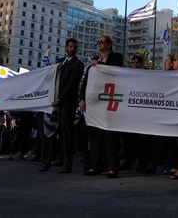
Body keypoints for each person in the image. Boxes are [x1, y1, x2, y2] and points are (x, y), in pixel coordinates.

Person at [79, 35, 124, 178]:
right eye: (98, 42)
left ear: (109, 45)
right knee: (95, 135)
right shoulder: (94, 60)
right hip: (94, 102)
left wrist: (98, 66)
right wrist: (82, 98)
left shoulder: (116, 57)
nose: (99, 44)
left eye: (102, 42)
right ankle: (95, 165)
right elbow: (85, 81)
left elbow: (115, 71)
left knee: (110, 135)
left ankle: (113, 167)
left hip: (109, 99)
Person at [48, 38, 84, 174]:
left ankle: (67, 163)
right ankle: (55, 158)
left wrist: (60, 99)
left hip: (67, 103)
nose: (73, 49)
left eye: (75, 47)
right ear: (66, 47)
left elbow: (72, 84)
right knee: (54, 132)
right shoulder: (59, 62)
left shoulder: (78, 64)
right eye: (70, 46)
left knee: (66, 133)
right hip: (55, 102)